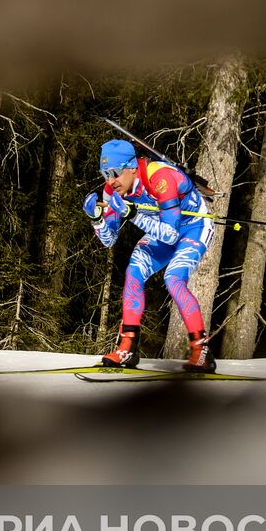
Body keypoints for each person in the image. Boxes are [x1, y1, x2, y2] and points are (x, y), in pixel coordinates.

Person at [82, 138, 216, 372]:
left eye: (115, 173)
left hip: (193, 227)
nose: (110, 181)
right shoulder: (112, 189)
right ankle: (127, 348)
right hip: (160, 228)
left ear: (132, 167)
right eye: (105, 174)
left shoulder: (160, 177)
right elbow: (109, 240)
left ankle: (201, 351)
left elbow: (171, 235)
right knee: (134, 271)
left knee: (173, 279)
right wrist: (96, 219)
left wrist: (134, 215)